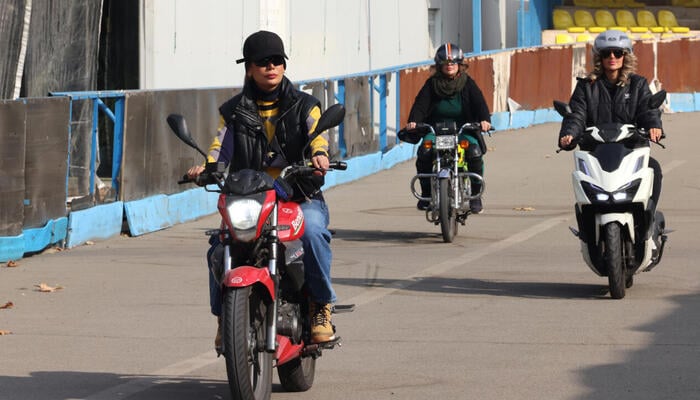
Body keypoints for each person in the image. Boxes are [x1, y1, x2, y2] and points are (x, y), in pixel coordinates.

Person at [187, 30, 337, 348]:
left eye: (277, 60)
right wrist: (207, 167)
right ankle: (224, 317)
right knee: (220, 247)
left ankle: (321, 305)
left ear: (284, 65)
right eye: (262, 61)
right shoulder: (232, 111)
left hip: (298, 193)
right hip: (252, 197)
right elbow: (220, 147)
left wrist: (319, 155)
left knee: (312, 231)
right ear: (249, 68)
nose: (271, 66)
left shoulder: (306, 105)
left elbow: (317, 137)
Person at [558, 29, 663, 208]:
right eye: (606, 53)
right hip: (596, 152)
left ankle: (648, 218)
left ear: (626, 56)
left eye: (618, 52)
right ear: (599, 57)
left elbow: (648, 110)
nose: (612, 57)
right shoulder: (586, 86)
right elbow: (577, 115)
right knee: (582, 182)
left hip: (631, 149)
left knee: (654, 169)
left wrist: (654, 125)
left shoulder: (638, 84)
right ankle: (587, 226)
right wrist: (569, 134)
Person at [405, 42, 492, 213]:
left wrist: (484, 120)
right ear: (439, 66)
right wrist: (414, 121)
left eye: (453, 63)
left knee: (473, 151)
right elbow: (420, 105)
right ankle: (427, 193)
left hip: (463, 130)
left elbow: (479, 103)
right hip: (436, 131)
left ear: (460, 65)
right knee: (424, 151)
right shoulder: (431, 84)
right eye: (446, 63)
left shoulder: (467, 83)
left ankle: (475, 195)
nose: (449, 66)